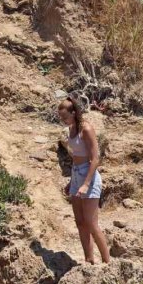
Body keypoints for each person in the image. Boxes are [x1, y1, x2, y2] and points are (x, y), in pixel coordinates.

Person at [58, 95, 110, 264]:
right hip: (75, 174)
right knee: (80, 222)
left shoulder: (86, 129)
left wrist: (86, 184)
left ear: (74, 113)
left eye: (65, 117)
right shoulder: (71, 129)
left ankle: (107, 262)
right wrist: (71, 182)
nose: (63, 120)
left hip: (89, 175)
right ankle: (89, 260)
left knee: (91, 223)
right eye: (61, 118)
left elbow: (95, 158)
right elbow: (76, 155)